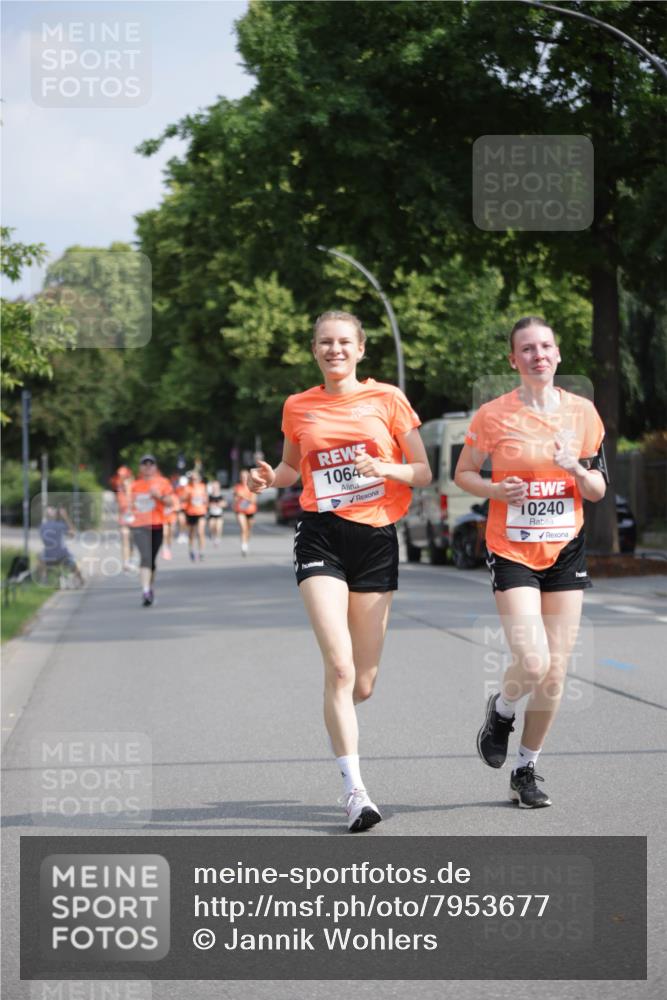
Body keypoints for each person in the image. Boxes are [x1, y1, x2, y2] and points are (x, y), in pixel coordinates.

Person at [248, 311, 431, 831]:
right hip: (320, 535)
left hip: (375, 539)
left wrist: (386, 468)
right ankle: (355, 792)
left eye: (344, 342)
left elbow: (422, 471)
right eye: (325, 343)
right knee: (341, 667)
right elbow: (291, 468)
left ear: (361, 349)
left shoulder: (388, 399)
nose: (334, 350)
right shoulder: (298, 405)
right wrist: (269, 478)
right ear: (314, 350)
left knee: (364, 683)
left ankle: (338, 711)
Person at [454, 316, 607, 808]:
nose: (538, 354)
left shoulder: (583, 413)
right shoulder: (492, 416)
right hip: (513, 549)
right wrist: (496, 488)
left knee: (557, 673)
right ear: (513, 360)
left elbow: (598, 489)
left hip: (566, 549)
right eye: (527, 349)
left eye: (545, 346)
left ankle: (526, 769)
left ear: (558, 354)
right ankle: (500, 711)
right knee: (535, 660)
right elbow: (463, 474)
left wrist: (573, 468)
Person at [128, 455, 174, 606]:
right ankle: (145, 591)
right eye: (144, 464)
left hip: (157, 525)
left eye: (151, 464)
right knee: (145, 558)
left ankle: (149, 586)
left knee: (152, 561)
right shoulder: (135, 485)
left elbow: (170, 502)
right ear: (140, 467)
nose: (148, 467)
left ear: (155, 467)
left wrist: (158, 496)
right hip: (140, 526)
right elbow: (128, 506)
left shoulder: (163, 482)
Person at [37, 506, 84, 586]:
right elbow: (73, 534)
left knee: (39, 556)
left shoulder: (42, 527)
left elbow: (44, 540)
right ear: (55, 515)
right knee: (75, 562)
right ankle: (80, 579)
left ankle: (44, 579)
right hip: (63, 556)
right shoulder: (60, 525)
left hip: (48, 558)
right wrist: (65, 517)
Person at [110, 465, 136, 571]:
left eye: (125, 477)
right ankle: (126, 562)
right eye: (121, 477)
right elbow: (119, 502)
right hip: (124, 516)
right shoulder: (119, 486)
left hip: (134, 516)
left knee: (132, 540)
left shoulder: (134, 486)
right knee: (125, 539)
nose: (123, 479)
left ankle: (131, 559)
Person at [182, 470, 209, 561]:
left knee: (201, 532)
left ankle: (201, 551)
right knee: (191, 534)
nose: (194, 480)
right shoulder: (187, 488)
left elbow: (206, 499)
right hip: (190, 512)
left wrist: (205, 501)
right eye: (192, 479)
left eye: (195, 479)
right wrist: (188, 496)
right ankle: (191, 549)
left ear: (199, 479)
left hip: (201, 512)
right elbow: (183, 499)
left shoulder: (202, 487)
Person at [232, 470, 258, 556]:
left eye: (245, 476)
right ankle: (244, 547)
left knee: (249, 530)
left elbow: (254, 500)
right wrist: (237, 498)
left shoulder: (252, 486)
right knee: (243, 528)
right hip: (240, 510)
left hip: (250, 511)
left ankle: (246, 542)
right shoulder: (237, 487)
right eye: (242, 476)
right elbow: (235, 500)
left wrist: (242, 496)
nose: (243, 478)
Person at [207, 478, 226, 545]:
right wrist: (210, 505)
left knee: (218, 527)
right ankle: (212, 534)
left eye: (216, 487)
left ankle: (218, 537)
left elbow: (225, 504)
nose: (215, 488)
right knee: (211, 525)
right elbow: (206, 504)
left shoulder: (221, 496)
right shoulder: (209, 496)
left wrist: (219, 504)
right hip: (211, 515)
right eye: (213, 487)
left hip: (219, 515)